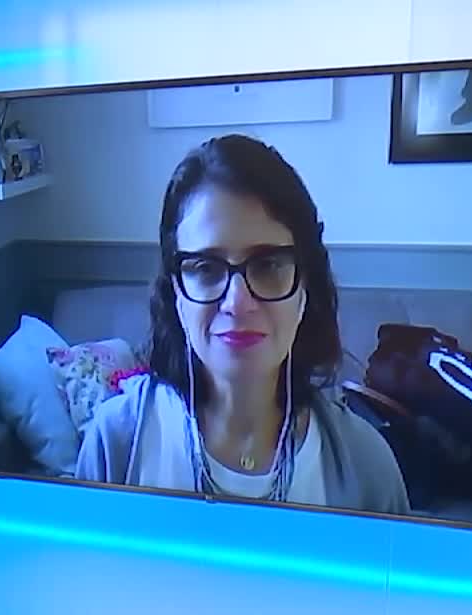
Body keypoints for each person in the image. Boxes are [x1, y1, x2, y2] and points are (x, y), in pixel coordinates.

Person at [75, 134, 409, 515]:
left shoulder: (367, 466)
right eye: (206, 268)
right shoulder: (116, 444)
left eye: (268, 265)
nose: (237, 303)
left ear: (305, 287)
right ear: (176, 293)